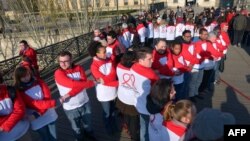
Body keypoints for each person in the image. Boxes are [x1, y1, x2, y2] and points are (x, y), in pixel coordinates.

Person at [54, 51, 96, 141]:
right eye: (61, 61)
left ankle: (89, 135)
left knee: (88, 123)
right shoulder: (58, 73)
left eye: (66, 61)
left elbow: (82, 84)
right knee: (76, 128)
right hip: (70, 107)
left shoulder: (79, 68)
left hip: (84, 102)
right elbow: (72, 84)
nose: (63, 64)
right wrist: (91, 83)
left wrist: (69, 94)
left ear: (71, 60)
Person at [14, 66, 59, 141]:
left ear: (30, 73)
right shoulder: (19, 91)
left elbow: (47, 97)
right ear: (18, 79)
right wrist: (52, 103)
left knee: (54, 137)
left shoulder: (39, 82)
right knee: (45, 138)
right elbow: (34, 104)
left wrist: (38, 113)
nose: (26, 78)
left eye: (27, 75)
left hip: (44, 115)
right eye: (23, 77)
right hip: (37, 119)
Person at [88, 41, 118, 134]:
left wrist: (108, 79)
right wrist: (116, 82)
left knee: (112, 111)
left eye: (105, 51)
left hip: (113, 91)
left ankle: (113, 125)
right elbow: (103, 81)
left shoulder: (109, 59)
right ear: (97, 54)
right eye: (104, 52)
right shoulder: (94, 66)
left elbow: (113, 73)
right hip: (104, 94)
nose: (106, 53)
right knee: (107, 112)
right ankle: (108, 127)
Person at [131, 47, 159, 141]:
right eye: (149, 59)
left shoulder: (133, 66)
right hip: (148, 107)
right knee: (148, 129)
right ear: (140, 60)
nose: (153, 60)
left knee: (143, 126)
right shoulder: (151, 74)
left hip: (137, 102)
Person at [0, 72, 31, 141]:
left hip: (22, 130)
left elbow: (20, 110)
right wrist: (15, 115)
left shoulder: (10, 90)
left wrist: (4, 126)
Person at [116, 51, 139, 140]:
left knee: (126, 117)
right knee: (134, 122)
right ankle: (134, 137)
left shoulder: (119, 66)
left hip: (122, 97)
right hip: (132, 100)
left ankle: (128, 129)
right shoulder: (135, 71)